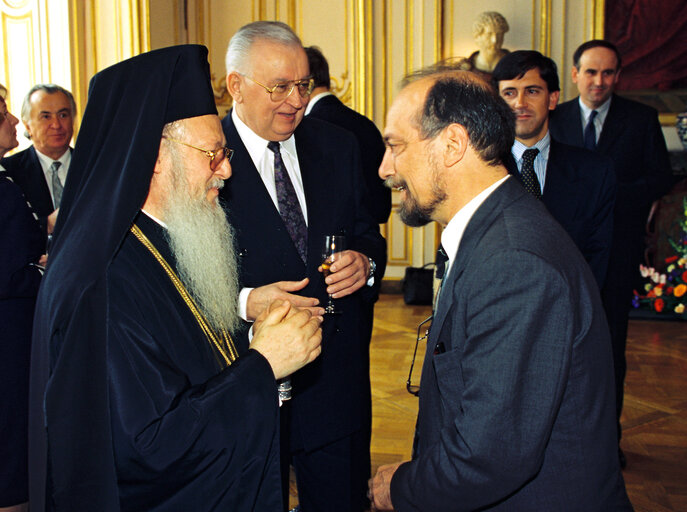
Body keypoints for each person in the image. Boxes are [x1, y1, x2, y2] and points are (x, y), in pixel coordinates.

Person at [28, 45, 323, 512]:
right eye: (213, 154)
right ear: (152, 156)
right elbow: (148, 447)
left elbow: (186, 356)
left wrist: (256, 335)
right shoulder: (100, 283)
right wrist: (264, 364)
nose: (225, 170)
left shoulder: (171, 237)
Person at [368, 70, 632, 511]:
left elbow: (492, 455)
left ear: (453, 144)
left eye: (396, 146)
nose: (385, 168)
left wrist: (401, 488)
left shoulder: (515, 262)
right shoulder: (496, 231)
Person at [221, 21, 386, 512]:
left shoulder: (337, 145)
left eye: (303, 85)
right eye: (278, 87)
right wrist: (247, 303)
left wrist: (367, 263)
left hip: (337, 382)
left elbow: (367, 233)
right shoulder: (205, 156)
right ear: (236, 85)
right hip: (245, 387)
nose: (295, 100)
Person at [549, 39, 672, 467]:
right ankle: (556, 437)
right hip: (560, 255)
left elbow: (660, 177)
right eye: (591, 72)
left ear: (617, 76)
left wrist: (610, 194)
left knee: (608, 350)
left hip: (616, 256)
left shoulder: (641, 120)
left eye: (607, 73)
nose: (599, 81)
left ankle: (605, 441)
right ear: (575, 74)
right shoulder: (553, 118)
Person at [492, 50, 616, 287]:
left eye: (532, 91)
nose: (520, 103)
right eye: (509, 93)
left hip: (570, 309)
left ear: (552, 98)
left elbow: (599, 256)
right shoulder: (479, 169)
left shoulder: (595, 172)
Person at [0, 84, 43, 512]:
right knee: (13, 455)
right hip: (11, 340)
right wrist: (46, 272)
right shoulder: (3, 189)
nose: (14, 122)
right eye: (3, 116)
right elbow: (10, 275)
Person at [304, 45, 391, 224]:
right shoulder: (366, 124)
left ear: (306, 83)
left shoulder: (308, 130)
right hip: (368, 242)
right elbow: (381, 206)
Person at [1, 84, 76, 242]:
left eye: (63, 115)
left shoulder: (97, 168)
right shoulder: (8, 172)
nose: (56, 125)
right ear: (27, 125)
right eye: (46, 117)